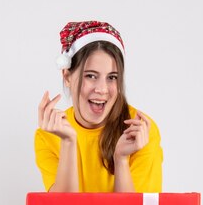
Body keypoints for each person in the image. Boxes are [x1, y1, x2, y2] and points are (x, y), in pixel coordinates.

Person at [35, 21, 163, 193]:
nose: (102, 89)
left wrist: (122, 160)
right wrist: (68, 142)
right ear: (67, 76)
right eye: (91, 76)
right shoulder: (48, 135)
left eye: (112, 77)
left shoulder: (140, 130)